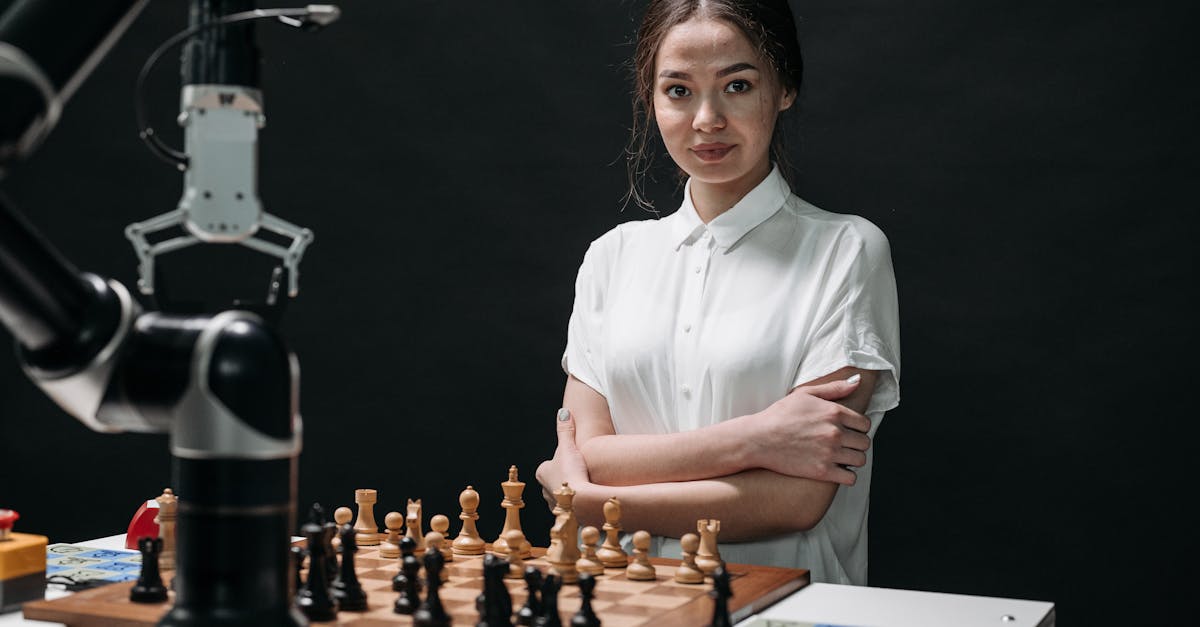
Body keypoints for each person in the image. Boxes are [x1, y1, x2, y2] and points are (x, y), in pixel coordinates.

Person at [536, 0, 900, 586]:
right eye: (678, 90)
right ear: (650, 98)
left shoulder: (848, 250)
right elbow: (594, 455)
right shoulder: (613, 257)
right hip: (620, 597)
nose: (706, 118)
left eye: (736, 85)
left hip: (783, 606)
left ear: (784, 87)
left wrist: (588, 502)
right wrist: (758, 438)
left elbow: (798, 500)